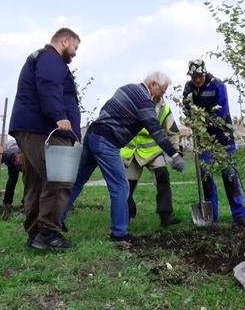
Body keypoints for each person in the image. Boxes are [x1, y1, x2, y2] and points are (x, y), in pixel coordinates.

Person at [63, 71, 185, 244]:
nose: (162, 95)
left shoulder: (126, 89)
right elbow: (156, 131)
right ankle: (119, 234)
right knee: (121, 187)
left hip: (92, 135)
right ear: (152, 85)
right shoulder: (145, 101)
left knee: (77, 181)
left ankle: (56, 220)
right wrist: (174, 155)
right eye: (162, 91)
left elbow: (105, 109)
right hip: (107, 142)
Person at [9, 27, 82, 252]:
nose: (76, 53)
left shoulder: (41, 58)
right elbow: (48, 86)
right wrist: (59, 115)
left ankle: (35, 233)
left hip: (33, 128)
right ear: (64, 40)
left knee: (35, 181)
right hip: (45, 129)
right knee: (59, 178)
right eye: (75, 47)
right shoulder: (51, 58)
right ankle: (48, 233)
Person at [182, 59, 245, 226]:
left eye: (199, 76)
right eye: (194, 76)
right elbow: (186, 109)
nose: (197, 79)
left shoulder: (218, 85)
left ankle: (240, 215)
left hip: (223, 138)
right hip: (203, 142)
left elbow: (222, 112)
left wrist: (204, 125)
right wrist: (191, 118)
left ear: (205, 73)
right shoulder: (189, 89)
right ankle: (211, 217)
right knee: (206, 175)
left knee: (229, 176)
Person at [120, 95, 182, 228]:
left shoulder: (164, 109)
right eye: (160, 88)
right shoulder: (134, 102)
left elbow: (173, 131)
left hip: (153, 150)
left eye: (164, 90)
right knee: (127, 187)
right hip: (133, 151)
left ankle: (166, 216)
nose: (162, 93)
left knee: (163, 178)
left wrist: (176, 154)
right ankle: (127, 216)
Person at [0, 140, 24, 207]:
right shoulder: (7, 155)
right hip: (11, 164)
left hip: (26, 166)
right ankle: (7, 202)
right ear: (15, 159)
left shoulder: (26, 157)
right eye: (18, 164)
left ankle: (26, 202)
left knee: (28, 182)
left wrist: (21, 166)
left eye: (20, 165)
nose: (18, 166)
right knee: (12, 181)